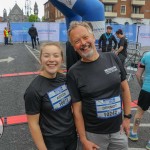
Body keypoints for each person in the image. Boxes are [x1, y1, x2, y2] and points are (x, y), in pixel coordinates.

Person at [67, 21, 131, 150]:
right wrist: (84, 139)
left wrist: (127, 118)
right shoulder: (73, 73)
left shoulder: (112, 58)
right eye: (77, 41)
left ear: (93, 37)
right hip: (93, 135)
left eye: (85, 37)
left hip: (118, 130)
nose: (83, 43)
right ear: (74, 47)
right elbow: (77, 110)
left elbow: (125, 89)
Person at [24, 42, 77, 150]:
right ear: (41, 59)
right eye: (46, 55)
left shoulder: (64, 79)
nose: (51, 59)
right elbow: (33, 125)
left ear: (62, 59)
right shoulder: (33, 90)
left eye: (56, 56)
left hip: (71, 137)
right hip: (52, 142)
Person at [129, 51, 150, 150]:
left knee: (140, 112)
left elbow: (138, 74)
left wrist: (143, 86)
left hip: (146, 89)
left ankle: (133, 133)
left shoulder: (146, 55)